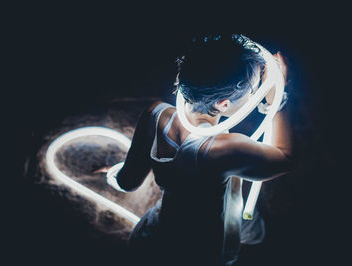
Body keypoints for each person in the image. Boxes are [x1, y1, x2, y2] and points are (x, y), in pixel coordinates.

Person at [98, 34, 292, 265]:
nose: (256, 92)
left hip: (157, 236)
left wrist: (114, 174)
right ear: (223, 104)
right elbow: (286, 157)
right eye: (253, 90)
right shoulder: (225, 149)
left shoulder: (156, 114)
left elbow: (128, 182)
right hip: (200, 248)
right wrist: (276, 100)